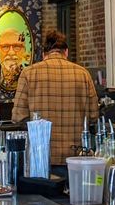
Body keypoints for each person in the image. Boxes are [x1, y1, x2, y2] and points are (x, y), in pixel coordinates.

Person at [11, 30, 99, 165]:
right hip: (76, 156)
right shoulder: (83, 74)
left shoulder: (28, 73)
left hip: (41, 156)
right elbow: (93, 117)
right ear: (66, 52)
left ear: (43, 54)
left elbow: (18, 117)